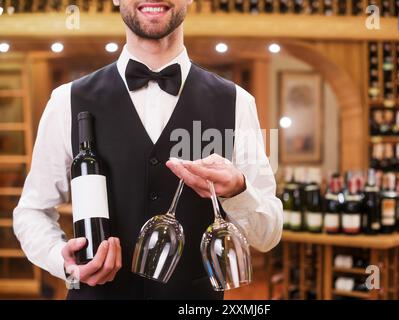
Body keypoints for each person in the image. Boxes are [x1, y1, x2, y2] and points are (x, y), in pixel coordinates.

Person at [13, 0, 282, 299]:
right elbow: (32, 211)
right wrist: (60, 258)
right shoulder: (65, 100)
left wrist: (238, 191)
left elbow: (268, 234)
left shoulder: (237, 102)